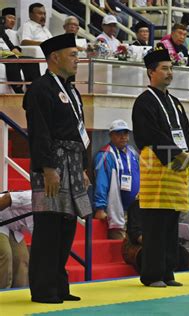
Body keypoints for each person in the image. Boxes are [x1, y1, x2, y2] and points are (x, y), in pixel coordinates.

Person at [23, 33, 92, 303]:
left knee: (67, 226)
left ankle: (59, 285)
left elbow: (78, 132)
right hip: (51, 163)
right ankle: (43, 289)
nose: (77, 59)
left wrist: (83, 168)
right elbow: (39, 132)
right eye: (72, 55)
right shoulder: (40, 88)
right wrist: (48, 167)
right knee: (49, 225)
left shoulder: (70, 89)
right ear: (55, 57)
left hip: (73, 162)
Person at [132, 44, 189, 288]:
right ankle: (152, 274)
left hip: (177, 169)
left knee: (172, 223)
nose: (170, 73)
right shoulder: (143, 102)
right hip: (157, 169)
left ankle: (168, 271)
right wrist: (176, 155)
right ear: (151, 72)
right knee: (155, 224)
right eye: (165, 69)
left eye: (171, 69)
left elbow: (187, 132)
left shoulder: (176, 102)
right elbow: (151, 135)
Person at [93, 119, 140, 240]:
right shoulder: (105, 155)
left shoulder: (133, 153)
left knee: (133, 247)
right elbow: (101, 183)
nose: (123, 137)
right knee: (119, 247)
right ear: (111, 135)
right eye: (118, 134)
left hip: (134, 210)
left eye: (125, 133)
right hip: (116, 210)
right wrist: (100, 207)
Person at [0, 7, 41, 93]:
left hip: (7, 53)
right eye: (10, 17)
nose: (12, 20)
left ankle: (33, 88)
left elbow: (10, 44)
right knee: (12, 57)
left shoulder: (2, 30)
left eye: (14, 18)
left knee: (31, 60)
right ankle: (18, 88)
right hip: (3, 54)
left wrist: (17, 52)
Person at [0, 191, 33, 289]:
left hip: (13, 226)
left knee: (23, 258)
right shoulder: (33, 198)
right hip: (1, 215)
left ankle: (18, 294)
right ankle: (3, 294)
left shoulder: (55, 220)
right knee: (5, 254)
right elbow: (7, 198)